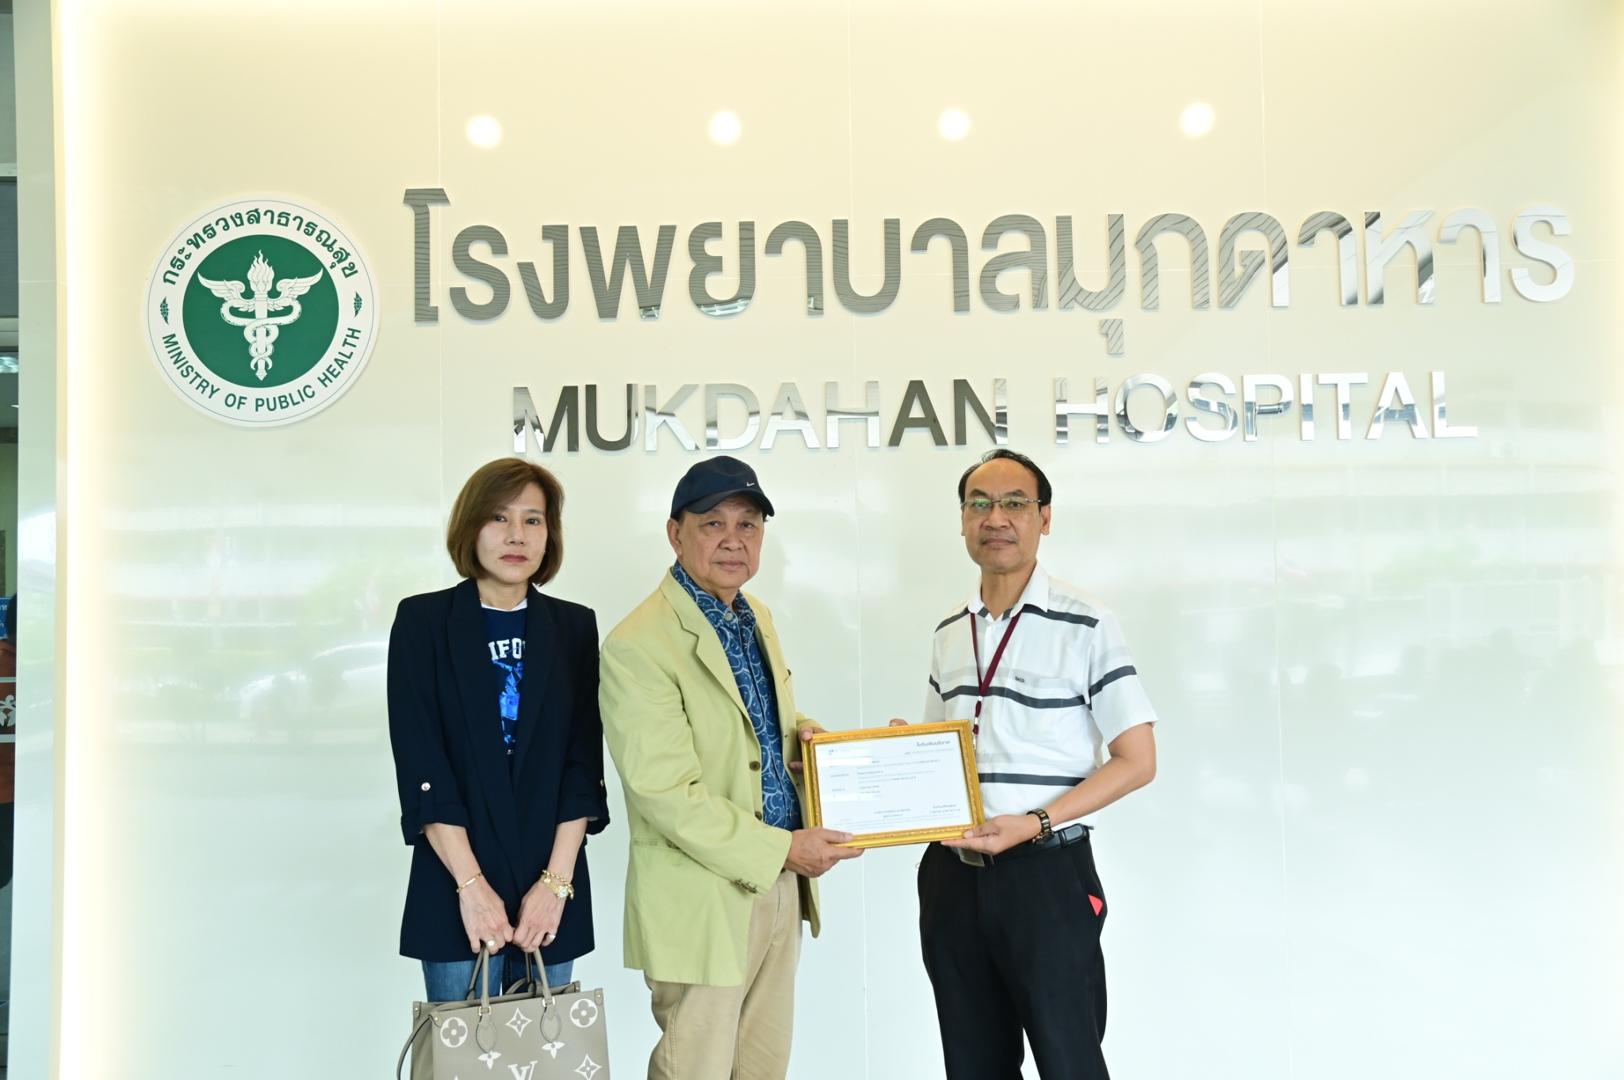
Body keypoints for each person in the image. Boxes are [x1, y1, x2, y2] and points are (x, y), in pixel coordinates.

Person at [599, 455, 861, 1080]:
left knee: (763, 1069)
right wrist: (784, 849)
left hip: (780, 883)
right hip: (704, 897)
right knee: (696, 1069)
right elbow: (664, 791)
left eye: (748, 525)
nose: (733, 540)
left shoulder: (753, 615)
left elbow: (754, 729)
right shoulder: (638, 644)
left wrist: (817, 746)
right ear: (675, 533)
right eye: (713, 523)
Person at [912, 448, 1158, 1080]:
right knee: (974, 1067)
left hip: (1046, 877)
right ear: (962, 520)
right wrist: (902, 752)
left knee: (1069, 1064)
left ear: (1044, 518)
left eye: (1015, 503)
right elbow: (943, 750)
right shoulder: (949, 631)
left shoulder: (1087, 623)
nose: (996, 518)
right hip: (952, 879)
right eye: (979, 504)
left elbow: (1137, 760)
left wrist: (1037, 822)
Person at [387, 457, 609, 1002]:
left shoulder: (574, 627)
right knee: (463, 1045)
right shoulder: (423, 622)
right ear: (471, 528)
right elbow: (423, 762)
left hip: (550, 886)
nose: (517, 535)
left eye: (533, 520)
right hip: (453, 880)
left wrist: (555, 886)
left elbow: (581, 766)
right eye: (499, 518)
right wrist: (473, 888)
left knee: (549, 1045)